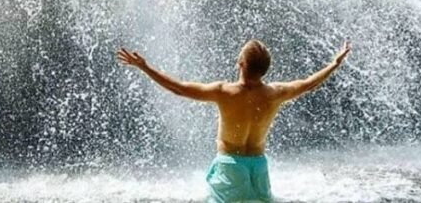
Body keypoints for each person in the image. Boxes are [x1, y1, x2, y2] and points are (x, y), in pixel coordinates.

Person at [116, 39, 352, 203]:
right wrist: (334, 63)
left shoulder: (224, 92)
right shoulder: (275, 93)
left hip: (230, 165)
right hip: (259, 166)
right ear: (265, 69)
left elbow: (179, 88)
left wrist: (144, 67)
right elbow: (309, 84)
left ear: (240, 64)